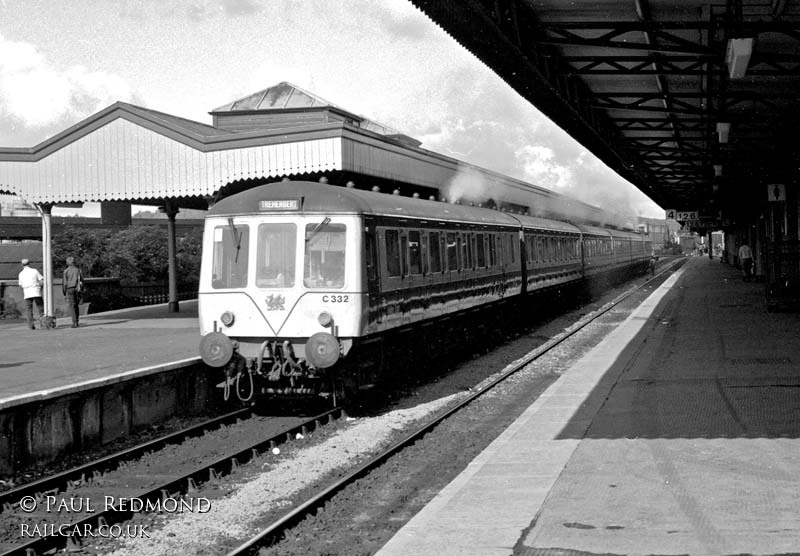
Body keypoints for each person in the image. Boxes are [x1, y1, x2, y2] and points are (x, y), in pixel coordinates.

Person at [18, 259, 44, 330]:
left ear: (22, 264)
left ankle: (31, 326)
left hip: (27, 293)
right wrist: (40, 289)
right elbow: (41, 281)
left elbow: (20, 285)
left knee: (29, 310)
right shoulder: (34, 271)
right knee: (41, 308)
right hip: (36, 291)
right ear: (29, 263)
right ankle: (43, 323)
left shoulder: (21, 274)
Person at [62, 256, 84, 328]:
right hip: (77, 288)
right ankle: (77, 321)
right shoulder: (78, 270)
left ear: (67, 263)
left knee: (72, 305)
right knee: (76, 305)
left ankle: (74, 322)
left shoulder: (66, 271)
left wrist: (64, 292)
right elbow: (81, 280)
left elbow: (65, 283)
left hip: (70, 289)